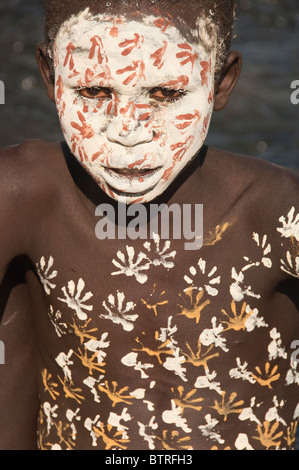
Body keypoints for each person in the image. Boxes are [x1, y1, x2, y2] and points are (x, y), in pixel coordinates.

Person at [0, 0, 298, 450]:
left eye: (164, 94)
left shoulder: (279, 213)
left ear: (221, 82)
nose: (128, 130)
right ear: (50, 74)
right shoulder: (23, 196)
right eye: (95, 91)